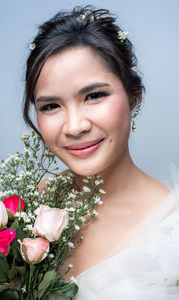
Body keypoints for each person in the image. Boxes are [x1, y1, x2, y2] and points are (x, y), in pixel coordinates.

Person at [23, 6, 179, 299]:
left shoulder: (173, 233)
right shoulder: (27, 207)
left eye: (94, 96)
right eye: (51, 106)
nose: (75, 126)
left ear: (134, 97)